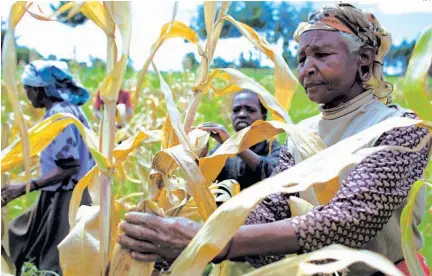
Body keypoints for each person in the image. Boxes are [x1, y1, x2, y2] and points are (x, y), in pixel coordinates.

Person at [116, 3, 431, 276]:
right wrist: (187, 222)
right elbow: (274, 208)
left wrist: (212, 241)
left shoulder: (402, 128)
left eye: (321, 54)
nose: (307, 69)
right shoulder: (301, 134)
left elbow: (352, 218)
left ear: (363, 59)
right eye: (302, 58)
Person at [1, 60, 95, 274]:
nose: (27, 96)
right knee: (19, 234)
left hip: (68, 196)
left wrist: (24, 187)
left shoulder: (58, 115)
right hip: (62, 192)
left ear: (38, 89)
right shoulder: (67, 108)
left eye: (27, 90)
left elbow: (69, 166)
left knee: (55, 260)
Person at [198, 89, 281, 190]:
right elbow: (202, 182)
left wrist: (234, 144)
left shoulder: (272, 147)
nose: (241, 114)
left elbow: (274, 172)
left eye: (250, 110)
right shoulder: (222, 148)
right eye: (236, 110)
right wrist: (199, 156)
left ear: (263, 116)